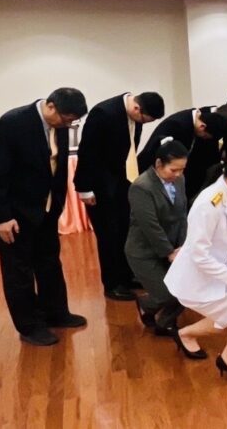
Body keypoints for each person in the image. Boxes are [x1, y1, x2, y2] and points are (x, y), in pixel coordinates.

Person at [0, 88, 89, 346]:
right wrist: (2, 217)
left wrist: (58, 205)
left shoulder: (60, 125)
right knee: (18, 271)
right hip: (15, 215)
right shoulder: (12, 123)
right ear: (51, 106)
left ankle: (56, 313)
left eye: (73, 121)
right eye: (66, 119)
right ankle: (29, 326)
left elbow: (57, 167)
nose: (69, 125)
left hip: (46, 211)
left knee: (49, 263)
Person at [164, 147, 227, 383]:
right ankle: (223, 354)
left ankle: (216, 349)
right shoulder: (208, 204)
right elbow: (199, 256)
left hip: (215, 271)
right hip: (195, 280)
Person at [74, 91, 166, 302]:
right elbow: (87, 152)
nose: (144, 124)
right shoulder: (103, 113)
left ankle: (127, 276)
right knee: (108, 235)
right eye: (145, 120)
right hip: (99, 186)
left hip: (122, 183)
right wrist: (84, 188)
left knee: (125, 231)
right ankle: (112, 283)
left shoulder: (135, 116)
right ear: (137, 108)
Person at [125, 140, 189, 335]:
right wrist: (169, 252)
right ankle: (147, 303)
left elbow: (182, 215)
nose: (178, 174)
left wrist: (183, 246)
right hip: (144, 251)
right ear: (159, 164)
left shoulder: (179, 180)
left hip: (173, 248)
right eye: (173, 170)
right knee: (167, 294)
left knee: (187, 290)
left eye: (182, 169)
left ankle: (164, 323)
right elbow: (150, 226)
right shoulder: (141, 187)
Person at [137, 108, 226, 203]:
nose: (203, 138)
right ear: (202, 127)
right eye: (205, 136)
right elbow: (158, 155)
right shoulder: (177, 125)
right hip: (150, 171)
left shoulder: (195, 120)